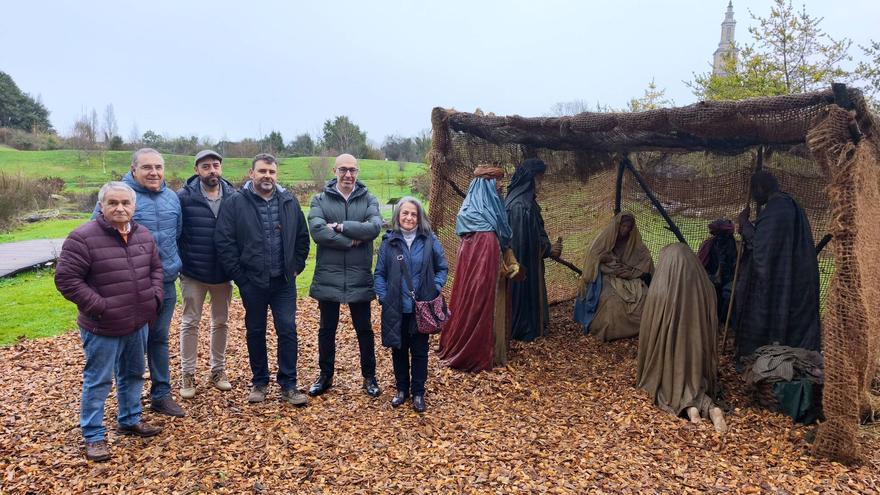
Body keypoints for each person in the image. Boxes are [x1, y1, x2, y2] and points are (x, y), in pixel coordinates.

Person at [56, 182, 164, 462]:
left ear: (134, 206)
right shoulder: (82, 238)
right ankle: (93, 434)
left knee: (133, 373)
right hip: (102, 325)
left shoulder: (143, 235)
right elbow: (67, 280)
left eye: (125, 203)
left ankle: (130, 419)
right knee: (99, 380)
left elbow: (155, 269)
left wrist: (154, 297)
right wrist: (100, 307)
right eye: (113, 203)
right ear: (101, 205)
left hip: (137, 321)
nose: (120, 208)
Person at [93, 148, 185, 417]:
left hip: (164, 282)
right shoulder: (119, 198)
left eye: (158, 167)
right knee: (131, 345)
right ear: (134, 170)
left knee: (159, 339)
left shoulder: (172, 198)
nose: (154, 172)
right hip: (130, 286)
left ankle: (161, 394)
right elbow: (98, 236)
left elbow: (176, 234)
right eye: (147, 167)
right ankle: (129, 407)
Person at [215, 153, 310, 405]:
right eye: (262, 171)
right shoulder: (235, 203)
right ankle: (259, 382)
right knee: (255, 331)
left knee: (287, 329)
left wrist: (296, 266)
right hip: (252, 281)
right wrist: (241, 278)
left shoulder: (289, 201)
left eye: (271, 172)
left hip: (283, 282)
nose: (267, 176)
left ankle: (289, 384)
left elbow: (302, 237)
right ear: (251, 173)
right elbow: (224, 242)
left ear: (276, 175)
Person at [307, 153, 383, 398]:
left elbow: (374, 227)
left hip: (359, 275)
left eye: (352, 170)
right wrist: (351, 241)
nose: (348, 175)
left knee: (364, 330)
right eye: (343, 170)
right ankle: (325, 375)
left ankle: (369, 376)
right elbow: (317, 231)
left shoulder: (369, 198)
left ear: (357, 172)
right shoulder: (320, 199)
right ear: (335, 171)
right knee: (326, 330)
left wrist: (340, 227)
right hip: (329, 275)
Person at [636, 243, 727, 433]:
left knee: (669, 387)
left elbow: (649, 332)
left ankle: (691, 410)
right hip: (696, 359)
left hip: (671, 360)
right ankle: (710, 408)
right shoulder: (705, 288)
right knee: (695, 384)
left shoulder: (660, 290)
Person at [439, 165, 521, 372]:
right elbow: (487, 263)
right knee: (480, 303)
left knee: (471, 300)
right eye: (497, 181)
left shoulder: (475, 212)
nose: (501, 186)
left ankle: (475, 342)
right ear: (486, 185)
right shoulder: (484, 225)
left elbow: (503, 241)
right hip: (486, 282)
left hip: (486, 275)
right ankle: (478, 349)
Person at [735, 171, 821, 358]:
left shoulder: (777, 209)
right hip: (794, 275)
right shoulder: (788, 204)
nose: (753, 196)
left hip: (785, 278)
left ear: (760, 188)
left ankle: (770, 355)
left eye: (753, 190)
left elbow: (762, 249)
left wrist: (744, 224)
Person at [375, 197, 448, 412]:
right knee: (398, 350)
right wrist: (384, 296)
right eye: (405, 213)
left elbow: (442, 268)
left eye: (413, 214)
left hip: (421, 307)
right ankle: (401, 390)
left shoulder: (429, 240)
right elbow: (379, 274)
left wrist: (434, 287)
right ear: (398, 215)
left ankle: (418, 392)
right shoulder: (389, 242)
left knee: (419, 352)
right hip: (395, 307)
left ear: (419, 217)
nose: (409, 217)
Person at [176, 150, 236, 399]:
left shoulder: (233, 196)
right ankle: (187, 373)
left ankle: (217, 370)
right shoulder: (183, 197)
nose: (212, 170)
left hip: (223, 271)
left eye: (216, 165)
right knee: (190, 322)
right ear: (196, 170)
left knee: (221, 322)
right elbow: (176, 232)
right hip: (193, 271)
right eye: (206, 166)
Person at [505, 158, 562, 342]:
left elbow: (534, 233)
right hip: (522, 266)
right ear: (530, 179)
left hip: (527, 263)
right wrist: (547, 249)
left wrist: (546, 246)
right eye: (539, 178)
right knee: (521, 296)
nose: (541, 183)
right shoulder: (520, 206)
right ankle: (524, 327)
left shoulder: (525, 203)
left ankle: (530, 324)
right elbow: (523, 244)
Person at [575, 212, 654, 341]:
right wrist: (605, 263)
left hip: (630, 278)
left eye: (628, 227)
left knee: (644, 295)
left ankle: (640, 328)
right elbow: (593, 261)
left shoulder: (634, 244)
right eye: (623, 226)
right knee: (611, 300)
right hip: (606, 277)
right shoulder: (605, 240)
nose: (625, 230)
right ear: (617, 225)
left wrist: (631, 273)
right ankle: (609, 331)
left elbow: (646, 265)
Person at [697, 219, 739, 323]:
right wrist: (710, 277)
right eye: (718, 235)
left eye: (723, 235)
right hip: (711, 279)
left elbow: (738, 269)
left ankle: (723, 322)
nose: (720, 238)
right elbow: (701, 267)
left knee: (728, 295)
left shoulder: (736, 247)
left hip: (730, 280)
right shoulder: (708, 246)